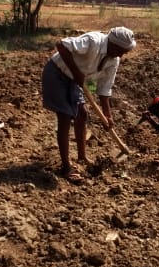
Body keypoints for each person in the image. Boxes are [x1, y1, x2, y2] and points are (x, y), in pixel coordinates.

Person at [41, 27, 137, 183]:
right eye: (121, 50)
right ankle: (66, 167)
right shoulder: (94, 41)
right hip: (57, 73)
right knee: (65, 117)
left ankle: (82, 156)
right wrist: (76, 72)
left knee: (82, 114)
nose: (122, 55)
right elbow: (62, 45)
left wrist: (107, 116)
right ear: (113, 44)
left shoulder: (114, 60)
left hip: (74, 80)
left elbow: (104, 89)